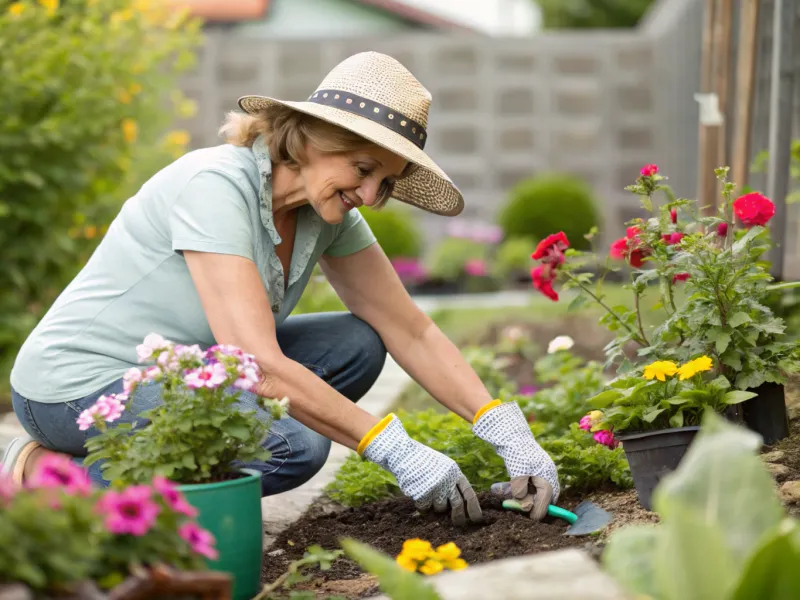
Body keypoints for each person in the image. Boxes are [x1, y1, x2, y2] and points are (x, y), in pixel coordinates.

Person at [2, 52, 559, 525]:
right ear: (310, 137)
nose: (368, 193)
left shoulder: (328, 215)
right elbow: (257, 363)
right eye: (362, 168)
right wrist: (394, 447)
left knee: (359, 345)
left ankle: (141, 478)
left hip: (179, 373)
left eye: (384, 181)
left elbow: (408, 326)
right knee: (293, 444)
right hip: (75, 386)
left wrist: (504, 428)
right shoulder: (215, 186)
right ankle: (53, 482)